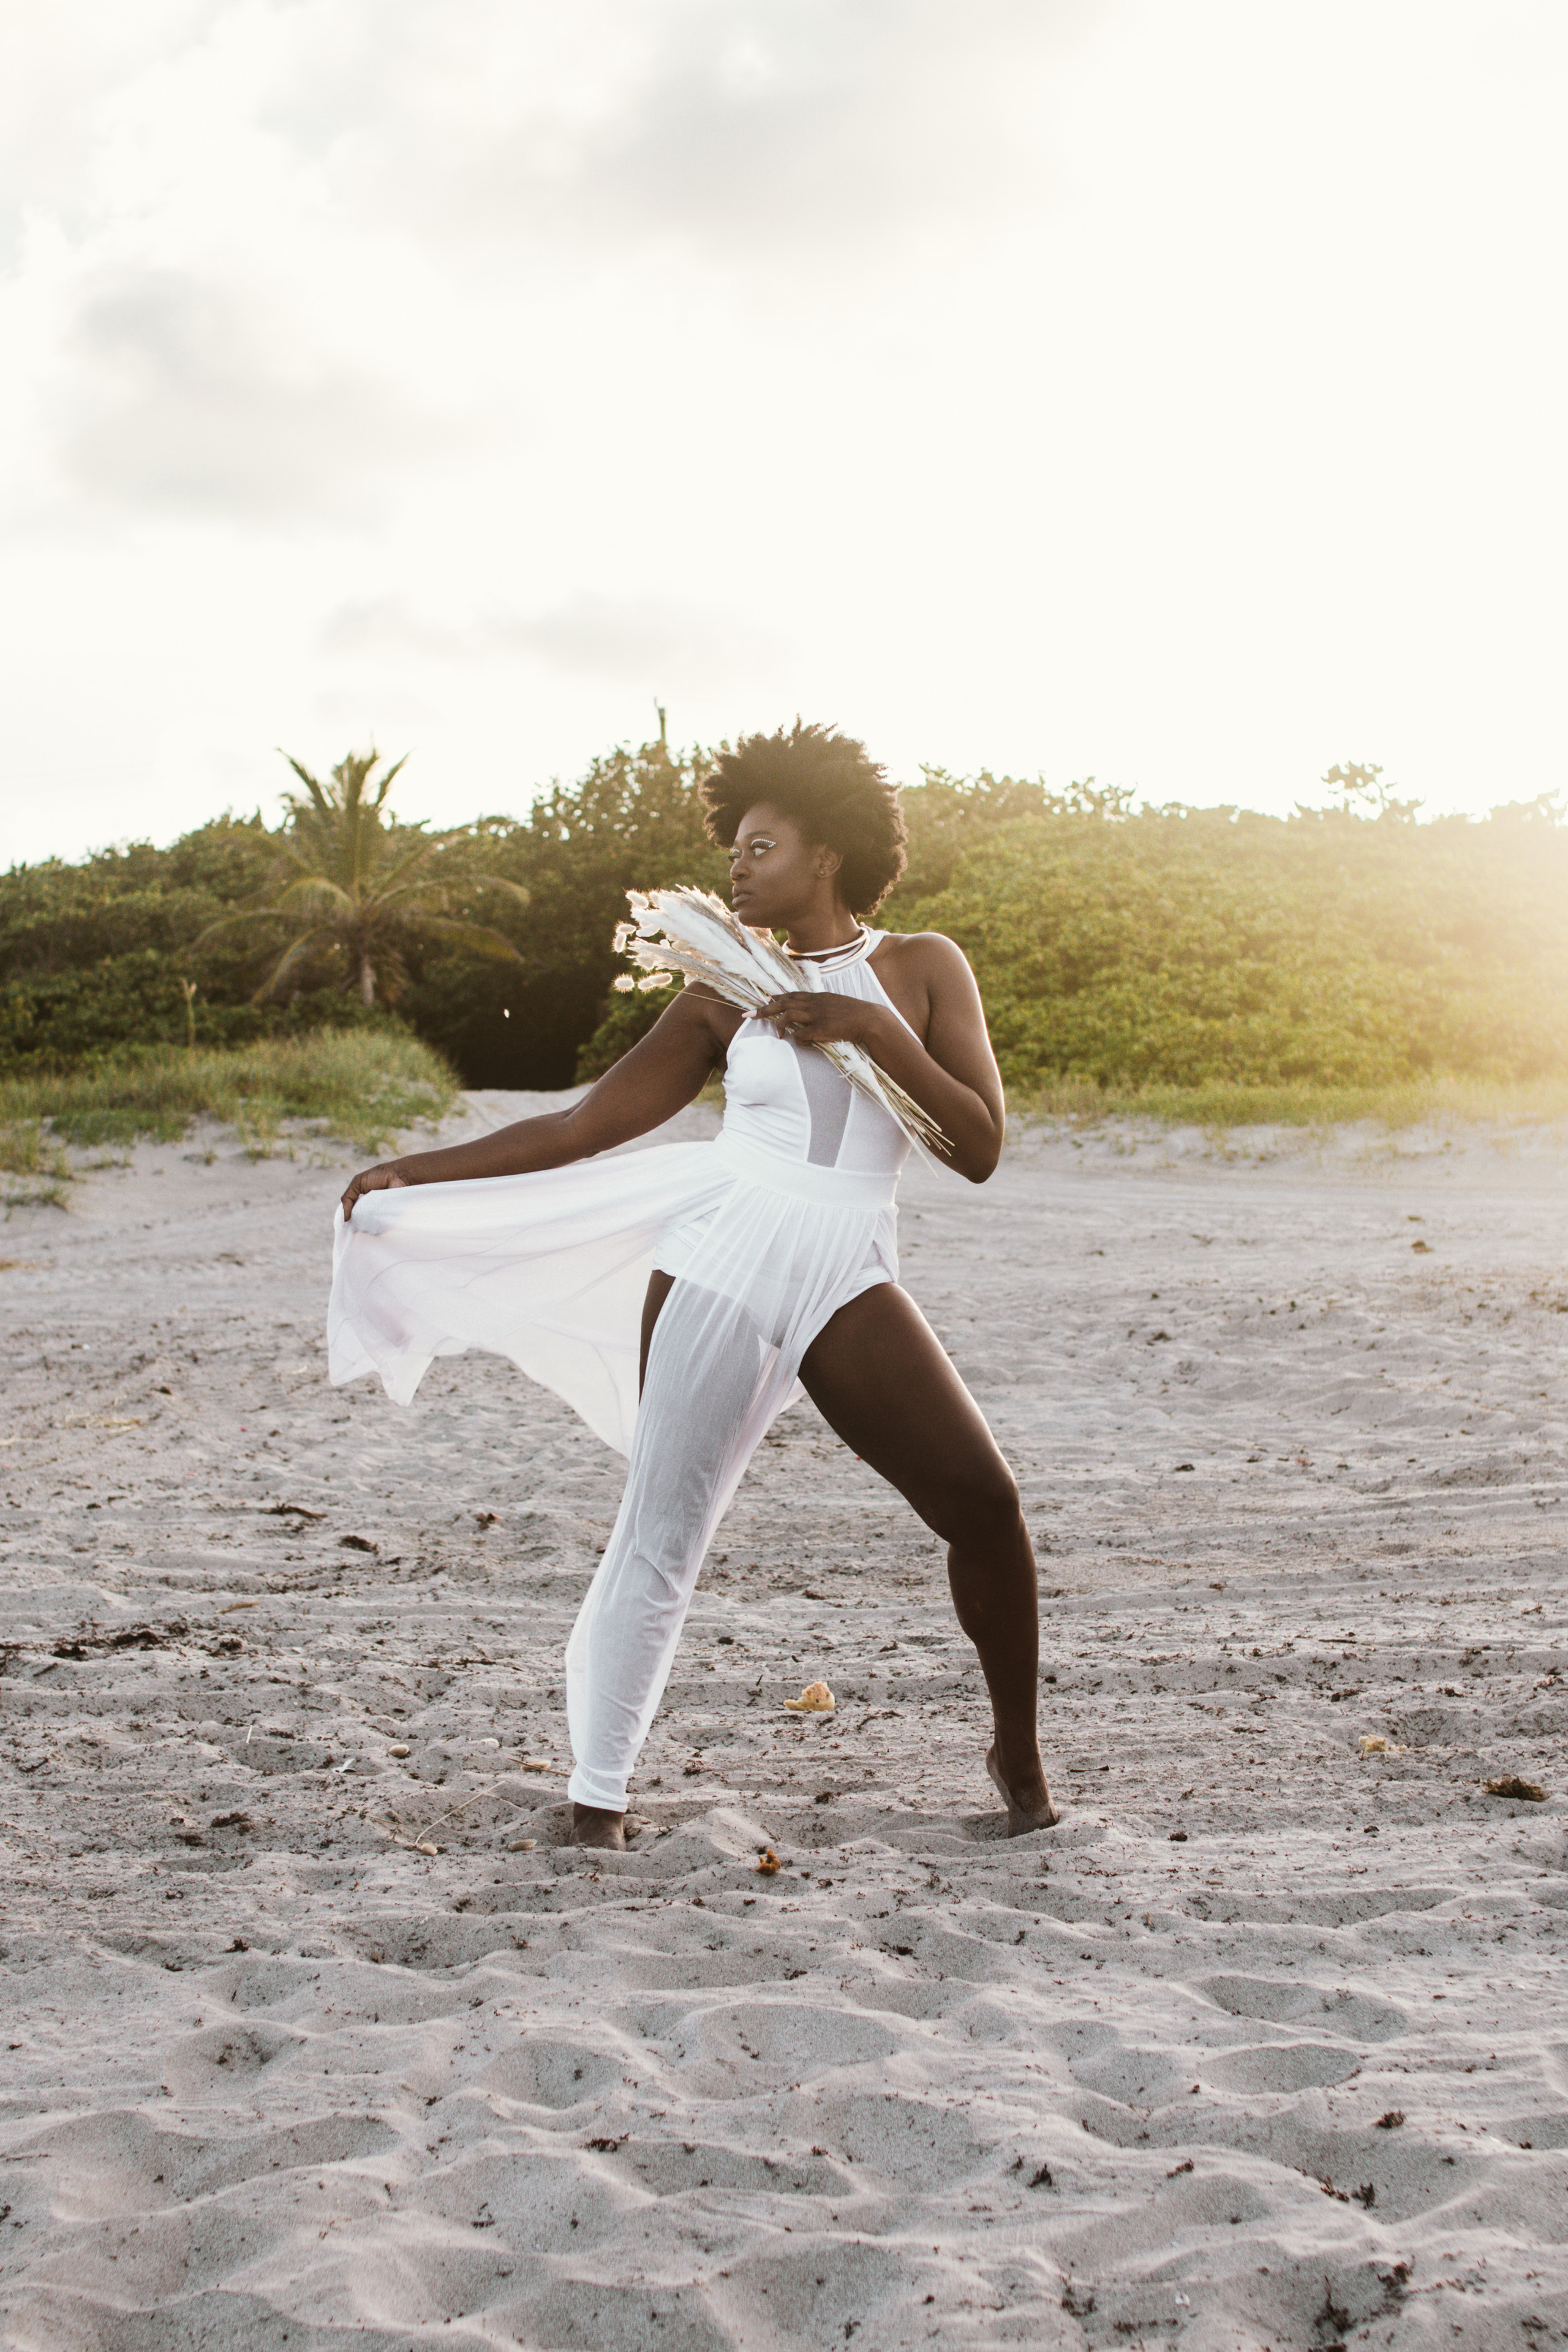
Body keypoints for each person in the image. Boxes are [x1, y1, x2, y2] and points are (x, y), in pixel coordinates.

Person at [333, 722, 1057, 1849]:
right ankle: (597, 1799)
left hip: (848, 1266)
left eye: (759, 844)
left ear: (827, 854)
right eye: (733, 846)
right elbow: (585, 1124)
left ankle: (1019, 1761)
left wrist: (870, 1029)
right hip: (722, 1256)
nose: (736, 864)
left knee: (985, 1503)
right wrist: (418, 1171)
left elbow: (977, 1145)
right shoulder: (726, 991)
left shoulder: (922, 967)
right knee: (665, 1530)